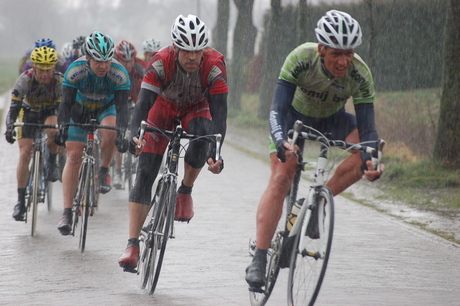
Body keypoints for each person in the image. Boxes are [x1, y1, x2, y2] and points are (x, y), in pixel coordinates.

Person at [245, 10, 385, 289]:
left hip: (332, 119)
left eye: (349, 53)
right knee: (282, 177)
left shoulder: (360, 73)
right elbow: (277, 109)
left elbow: (368, 131)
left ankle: (320, 199)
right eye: (336, 54)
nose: (344, 61)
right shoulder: (300, 58)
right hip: (292, 118)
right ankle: (259, 258)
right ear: (321, 49)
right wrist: (281, 139)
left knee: (365, 156)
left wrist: (373, 160)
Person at [118, 14, 228, 271]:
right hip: (162, 108)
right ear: (175, 48)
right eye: (186, 51)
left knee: (203, 133)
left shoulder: (215, 65)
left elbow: (220, 115)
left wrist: (216, 153)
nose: (192, 57)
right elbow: (143, 105)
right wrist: (136, 134)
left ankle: (185, 190)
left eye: (197, 51)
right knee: (145, 172)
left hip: (196, 108)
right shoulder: (160, 62)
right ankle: (132, 245)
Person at [55, 31, 131, 235]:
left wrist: (122, 134)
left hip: (106, 108)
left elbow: (123, 109)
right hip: (78, 109)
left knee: (110, 131)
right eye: (98, 61)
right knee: (73, 156)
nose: (103, 66)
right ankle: (67, 212)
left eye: (107, 60)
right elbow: (65, 104)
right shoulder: (75, 70)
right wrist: (62, 127)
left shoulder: (119, 73)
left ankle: (104, 170)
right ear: (87, 58)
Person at [5, 46, 63, 221]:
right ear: (33, 68)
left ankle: (52, 162)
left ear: (54, 68)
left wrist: (63, 130)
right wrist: (9, 127)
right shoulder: (25, 80)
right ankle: (20, 201)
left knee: (52, 129)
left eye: (49, 69)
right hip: (29, 111)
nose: (45, 74)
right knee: (25, 153)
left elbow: (63, 110)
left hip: (50, 111)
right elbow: (13, 108)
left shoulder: (59, 82)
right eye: (41, 69)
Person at [112, 40, 147, 189]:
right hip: (118, 98)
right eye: (124, 61)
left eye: (130, 61)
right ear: (118, 59)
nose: (128, 65)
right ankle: (118, 171)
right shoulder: (112, 66)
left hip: (134, 97)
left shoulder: (141, 67)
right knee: (118, 133)